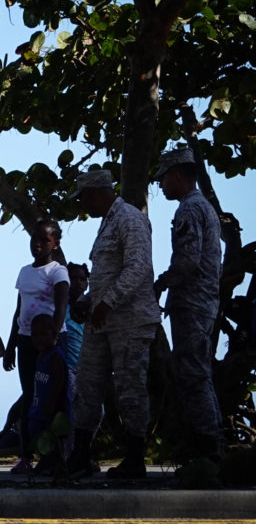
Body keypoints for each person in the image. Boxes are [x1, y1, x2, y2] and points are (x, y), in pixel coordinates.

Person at [66, 169, 162, 479]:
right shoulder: (107, 221)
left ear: (94, 194)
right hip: (101, 322)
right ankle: (80, 454)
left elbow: (138, 268)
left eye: (83, 200)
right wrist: (89, 300)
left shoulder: (129, 219)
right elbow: (108, 274)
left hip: (130, 323)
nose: (83, 207)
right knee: (87, 386)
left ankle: (134, 459)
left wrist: (107, 302)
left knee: (130, 389)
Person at [153, 148, 224, 460]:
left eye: (163, 179)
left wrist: (160, 284)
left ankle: (208, 450)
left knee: (193, 376)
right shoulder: (203, 207)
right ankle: (209, 446)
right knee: (199, 373)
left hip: (192, 303)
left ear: (177, 176)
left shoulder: (189, 210)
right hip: (202, 302)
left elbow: (187, 262)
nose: (160, 185)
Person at [2, 219, 69, 474]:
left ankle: (53, 454)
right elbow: (19, 309)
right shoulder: (24, 272)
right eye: (35, 239)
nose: (38, 244)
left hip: (50, 343)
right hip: (26, 340)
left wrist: (51, 339)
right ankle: (25, 455)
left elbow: (62, 306)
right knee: (29, 396)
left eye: (45, 240)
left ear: (55, 243)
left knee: (53, 398)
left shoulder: (57, 272)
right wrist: (11, 345)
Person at [26, 313, 70, 476]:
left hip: (52, 408)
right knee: (37, 434)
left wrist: (52, 401)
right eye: (35, 334)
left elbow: (59, 380)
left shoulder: (56, 356)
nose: (39, 339)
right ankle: (45, 462)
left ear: (54, 334)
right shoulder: (41, 356)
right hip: (39, 406)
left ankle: (55, 464)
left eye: (44, 334)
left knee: (53, 437)